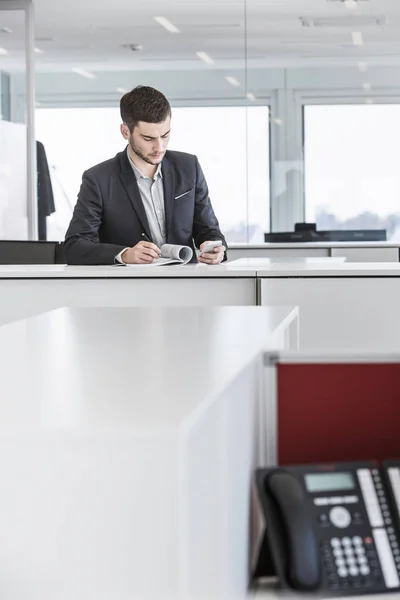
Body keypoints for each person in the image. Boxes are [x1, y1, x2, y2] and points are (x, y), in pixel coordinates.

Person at [64, 86, 227, 265]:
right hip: (130, 287)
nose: (160, 147)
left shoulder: (189, 167)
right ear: (125, 132)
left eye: (165, 135)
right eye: (148, 139)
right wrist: (124, 255)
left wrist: (216, 249)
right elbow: (74, 246)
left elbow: (209, 230)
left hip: (185, 284)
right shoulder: (98, 179)